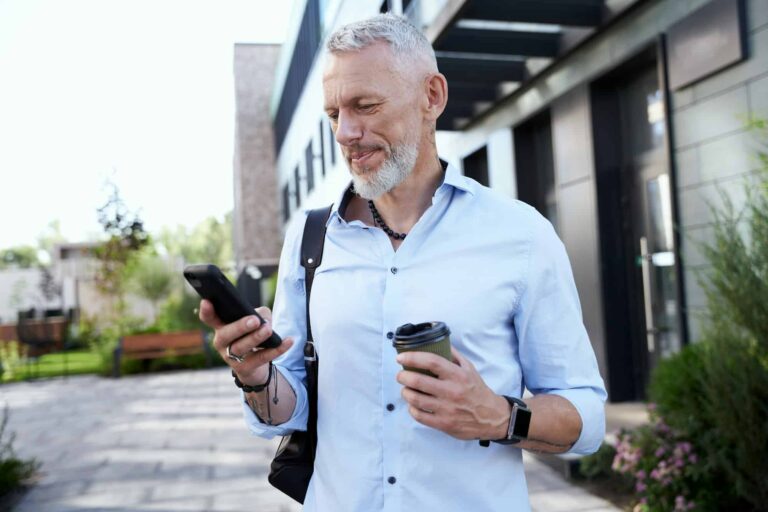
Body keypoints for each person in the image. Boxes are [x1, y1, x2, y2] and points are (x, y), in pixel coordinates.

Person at [200, 13, 606, 511]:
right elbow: (287, 413)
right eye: (333, 114)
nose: (346, 132)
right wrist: (255, 375)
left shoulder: (520, 235)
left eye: (365, 105)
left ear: (431, 97)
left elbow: (586, 417)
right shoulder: (309, 240)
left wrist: (499, 415)